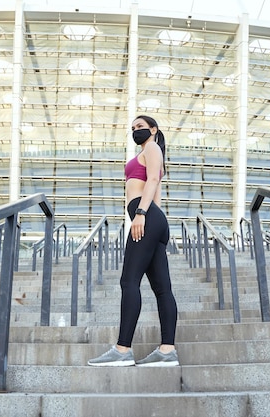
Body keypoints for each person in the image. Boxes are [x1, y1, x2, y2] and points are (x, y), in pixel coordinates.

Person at [88, 115, 179, 367]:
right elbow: (156, 190)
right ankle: (167, 350)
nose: (135, 131)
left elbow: (151, 181)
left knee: (129, 281)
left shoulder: (151, 147)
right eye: (133, 128)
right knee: (162, 289)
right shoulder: (152, 152)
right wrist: (156, 229)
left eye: (140, 127)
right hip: (153, 220)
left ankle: (122, 349)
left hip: (146, 217)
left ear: (153, 129)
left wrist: (141, 215)